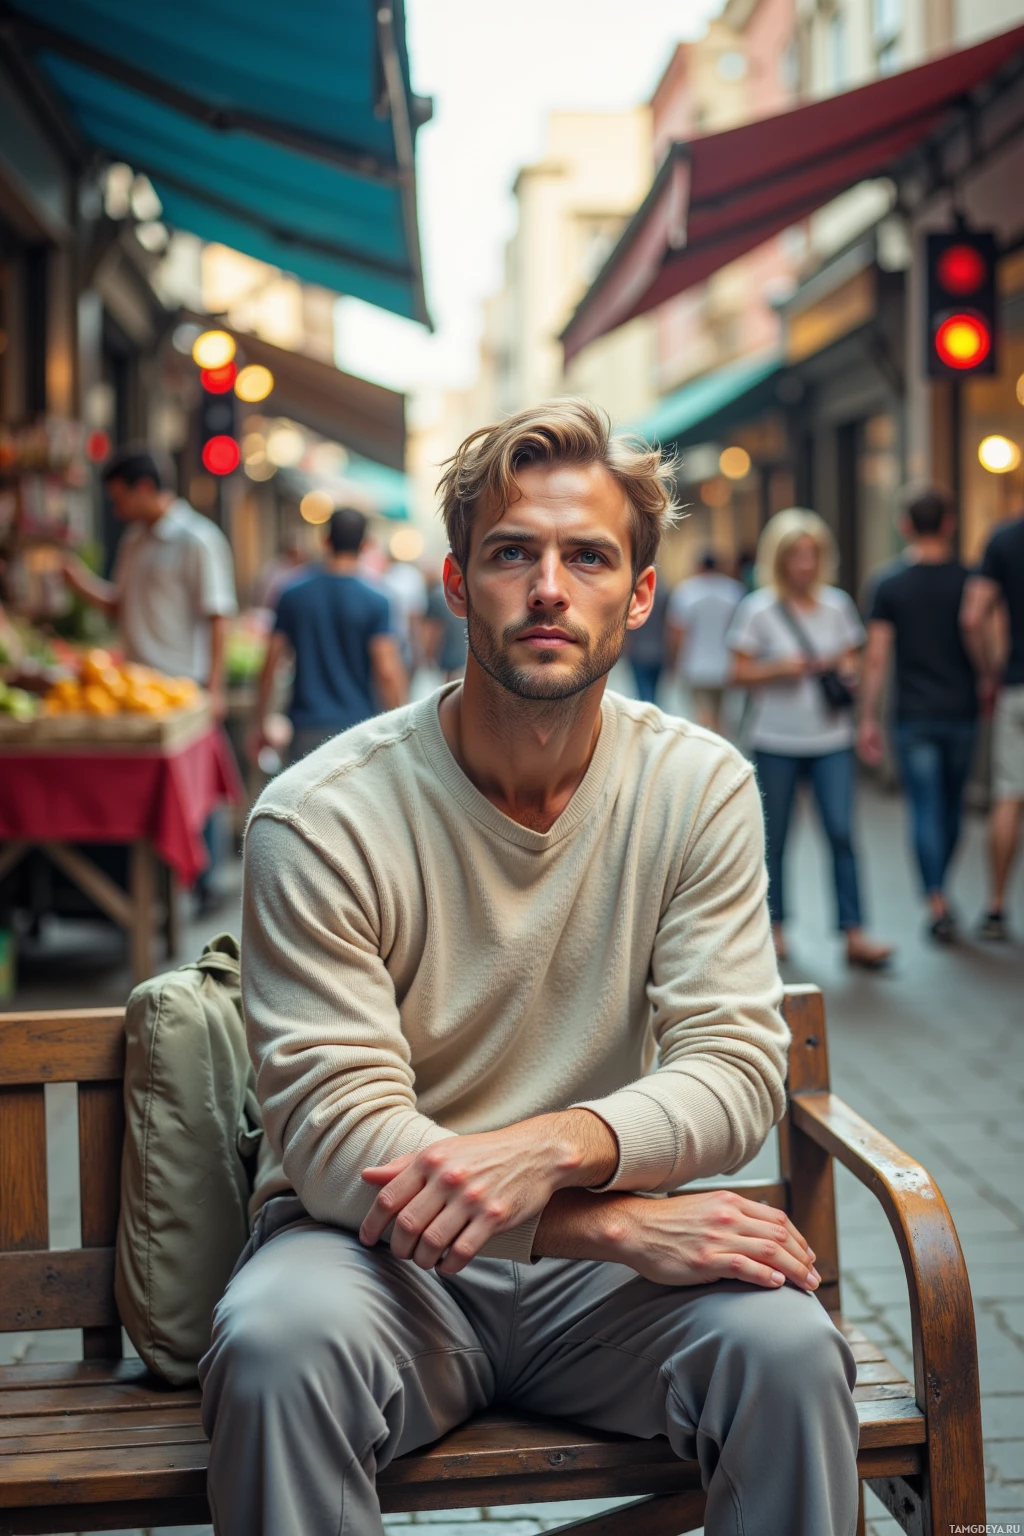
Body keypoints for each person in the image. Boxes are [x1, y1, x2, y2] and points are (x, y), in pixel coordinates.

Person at [200, 401, 859, 1536]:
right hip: (372, 1262)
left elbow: (736, 1066)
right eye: (513, 553)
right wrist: (597, 1222)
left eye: (587, 556)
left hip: (609, 1285)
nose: (549, 586)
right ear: (455, 584)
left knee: (789, 1353)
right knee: (272, 1351)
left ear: (639, 595)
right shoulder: (320, 816)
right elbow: (332, 1130)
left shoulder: (696, 786)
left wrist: (558, 1150)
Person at [61, 447, 238, 912]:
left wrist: (214, 688)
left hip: (184, 687)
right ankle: (162, 891)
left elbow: (219, 616)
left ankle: (204, 884)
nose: (116, 510)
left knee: (196, 789)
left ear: (144, 488)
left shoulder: (198, 539)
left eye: (119, 498)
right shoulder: (134, 541)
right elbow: (120, 604)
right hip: (131, 689)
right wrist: (78, 583)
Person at [728, 508, 892, 968]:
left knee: (841, 831)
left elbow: (853, 662)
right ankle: (776, 929)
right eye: (796, 555)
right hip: (775, 738)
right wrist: (779, 668)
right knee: (775, 836)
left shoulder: (837, 605)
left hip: (831, 739)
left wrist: (847, 673)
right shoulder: (757, 608)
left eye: (812, 554)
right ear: (778, 559)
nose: (805, 564)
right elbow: (736, 673)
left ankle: (854, 932)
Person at [858, 488, 978, 944]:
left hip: (912, 713)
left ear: (903, 525)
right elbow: (983, 638)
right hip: (962, 708)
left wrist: (867, 717)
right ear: (949, 523)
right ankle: (941, 891)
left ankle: (935, 896)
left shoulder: (889, 584)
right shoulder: (970, 579)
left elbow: (876, 659)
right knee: (952, 807)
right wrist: (987, 679)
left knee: (925, 807)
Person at [250, 506, 407, 766]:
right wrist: (400, 732)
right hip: (358, 729)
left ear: (325, 539)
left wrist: (259, 722)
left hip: (305, 727)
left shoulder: (292, 593)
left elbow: (271, 663)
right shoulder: (377, 600)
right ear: (365, 545)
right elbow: (387, 672)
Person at [961, 507, 1024, 940]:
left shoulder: (1005, 538)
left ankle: (997, 907)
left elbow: (972, 615)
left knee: (1009, 797)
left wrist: (989, 671)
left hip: (1018, 687)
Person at [666, 551, 744, 733]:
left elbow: (678, 632)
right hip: (726, 664)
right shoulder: (733, 590)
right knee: (722, 715)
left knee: (703, 714)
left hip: (695, 664)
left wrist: (675, 661)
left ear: (699, 566)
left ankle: (709, 750)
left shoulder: (686, 591)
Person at [622, 570, 668, 701]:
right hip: (659, 651)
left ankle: (648, 714)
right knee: (655, 690)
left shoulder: (633, 593)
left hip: (639, 651)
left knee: (643, 690)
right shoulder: (665, 593)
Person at [421, 569, 468, 681]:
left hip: (447, 653)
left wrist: (428, 654)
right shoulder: (464, 593)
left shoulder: (436, 597)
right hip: (465, 652)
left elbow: (433, 629)